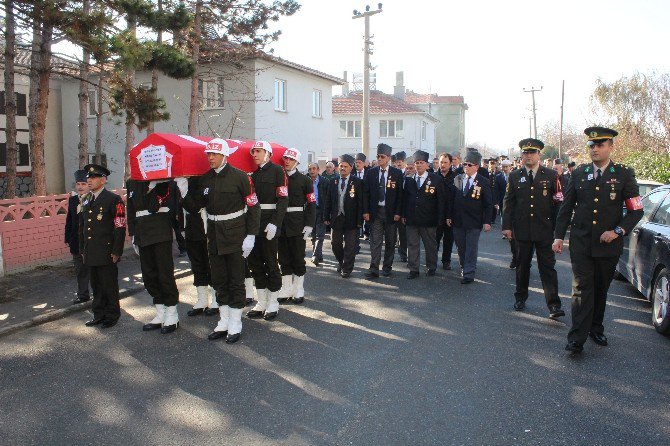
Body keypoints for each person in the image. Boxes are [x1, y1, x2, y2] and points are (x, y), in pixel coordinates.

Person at [553, 126, 643, 354]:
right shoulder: (578, 173)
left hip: (608, 245)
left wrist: (618, 231)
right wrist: (558, 236)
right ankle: (576, 338)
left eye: (600, 144)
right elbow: (566, 207)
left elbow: (636, 211)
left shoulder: (623, 174)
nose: (594, 149)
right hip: (581, 243)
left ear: (611, 146)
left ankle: (596, 326)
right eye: (591, 145)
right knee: (582, 289)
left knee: (600, 288)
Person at [180, 139, 261, 343]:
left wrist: (251, 235)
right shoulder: (204, 179)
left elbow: (253, 207)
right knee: (219, 279)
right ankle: (224, 320)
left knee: (235, 279)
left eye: (214, 154)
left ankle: (235, 322)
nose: (210, 158)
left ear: (225, 155)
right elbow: (194, 206)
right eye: (208, 154)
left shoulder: (241, 177)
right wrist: (182, 191)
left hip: (235, 234)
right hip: (214, 235)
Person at [502, 138, 564, 318]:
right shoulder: (514, 176)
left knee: (548, 268)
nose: (528, 156)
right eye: (525, 153)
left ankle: (553, 305)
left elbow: (559, 203)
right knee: (522, 266)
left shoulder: (552, 175)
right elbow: (509, 203)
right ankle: (520, 297)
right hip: (521, 230)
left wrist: (557, 230)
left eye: (532, 152)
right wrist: (507, 226)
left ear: (539, 154)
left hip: (544, 230)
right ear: (521, 155)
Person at [126, 177, 181, 334]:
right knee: (149, 275)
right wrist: (133, 234)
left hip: (160, 230)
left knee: (164, 274)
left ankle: (172, 313)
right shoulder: (132, 182)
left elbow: (170, 207)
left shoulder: (165, 181)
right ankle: (160, 311)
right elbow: (131, 209)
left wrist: (154, 187)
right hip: (142, 233)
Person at [246, 140, 288, 321]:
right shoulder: (252, 175)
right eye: (253, 152)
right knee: (255, 263)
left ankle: (273, 301)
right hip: (254, 224)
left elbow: (283, 199)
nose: (254, 154)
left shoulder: (278, 171)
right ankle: (261, 300)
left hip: (270, 224)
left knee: (271, 262)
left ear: (268, 153)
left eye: (257, 151)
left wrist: (275, 223)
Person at [79, 164, 126, 328]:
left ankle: (112, 315)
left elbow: (120, 226)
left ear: (103, 180)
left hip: (107, 251)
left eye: (93, 178)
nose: (89, 180)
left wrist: (117, 250)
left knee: (109, 285)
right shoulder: (86, 199)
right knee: (96, 285)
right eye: (88, 178)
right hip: (91, 251)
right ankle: (98, 314)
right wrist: (82, 249)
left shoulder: (114, 200)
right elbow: (83, 226)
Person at [447, 149, 493, 284]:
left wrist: (487, 221)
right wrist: (449, 216)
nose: (466, 167)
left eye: (469, 165)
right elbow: (451, 199)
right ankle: (464, 265)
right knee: (461, 247)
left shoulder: (483, 181)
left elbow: (488, 203)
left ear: (476, 166)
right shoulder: (457, 178)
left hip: (474, 220)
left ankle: (469, 272)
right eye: (464, 164)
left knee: (471, 247)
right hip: (458, 220)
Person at [276, 148, 316, 304]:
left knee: (298, 258)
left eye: (290, 159)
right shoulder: (279, 178)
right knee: (283, 258)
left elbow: (311, 204)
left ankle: (299, 289)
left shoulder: (305, 180)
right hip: (281, 222)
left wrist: (309, 224)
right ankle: (286, 288)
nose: (287, 161)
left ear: (297, 162)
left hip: (298, 224)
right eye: (285, 158)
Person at [402, 150, 446, 279]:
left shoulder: (436, 179)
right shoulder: (409, 180)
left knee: (430, 245)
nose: (419, 165)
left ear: (427, 165)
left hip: (429, 219)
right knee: (412, 245)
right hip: (412, 219)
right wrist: (404, 214)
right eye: (417, 163)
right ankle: (413, 269)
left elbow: (441, 201)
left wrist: (440, 218)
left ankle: (431, 267)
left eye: (421, 163)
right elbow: (405, 199)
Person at [363, 143, 403, 278]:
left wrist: (398, 212)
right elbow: (366, 194)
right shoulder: (371, 173)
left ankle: (387, 267)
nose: (379, 159)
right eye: (378, 156)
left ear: (388, 158)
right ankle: (374, 268)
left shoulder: (396, 173)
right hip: (376, 212)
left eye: (382, 156)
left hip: (391, 213)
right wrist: (366, 211)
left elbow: (399, 196)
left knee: (391, 241)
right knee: (375, 241)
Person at [182, 175, 218, 317]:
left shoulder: (202, 180)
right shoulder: (183, 181)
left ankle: (217, 299)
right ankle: (202, 300)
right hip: (190, 229)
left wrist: (183, 191)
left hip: (204, 228)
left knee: (210, 265)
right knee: (197, 266)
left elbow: (194, 206)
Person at [323, 154, 364, 278]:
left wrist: (359, 221)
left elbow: (361, 203)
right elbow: (328, 200)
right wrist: (326, 217)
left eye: (346, 166)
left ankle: (346, 269)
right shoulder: (333, 182)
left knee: (350, 246)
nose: (343, 168)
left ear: (351, 168)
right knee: (335, 244)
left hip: (351, 219)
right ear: (338, 167)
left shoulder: (357, 182)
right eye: (341, 166)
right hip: (336, 218)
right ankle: (342, 262)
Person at [65, 169, 91, 305]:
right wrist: (68, 238)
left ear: (89, 185)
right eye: (78, 184)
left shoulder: (94, 199)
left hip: (91, 242)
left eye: (83, 184)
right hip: (76, 242)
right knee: (80, 270)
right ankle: (83, 295)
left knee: (94, 270)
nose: (80, 187)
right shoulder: (73, 200)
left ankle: (100, 294)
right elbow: (69, 220)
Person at [496, 160, 518, 268]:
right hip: (510, 211)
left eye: (507, 166)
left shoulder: (518, 175)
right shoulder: (503, 177)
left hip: (522, 213)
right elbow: (506, 197)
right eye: (503, 166)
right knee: (512, 240)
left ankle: (524, 261)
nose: (505, 168)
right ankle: (515, 257)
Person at [436, 153, 456, 270]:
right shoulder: (433, 176)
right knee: (434, 241)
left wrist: (451, 215)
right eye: (441, 162)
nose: (442, 165)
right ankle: (432, 262)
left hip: (450, 215)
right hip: (436, 214)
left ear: (450, 164)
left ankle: (446, 261)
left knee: (448, 240)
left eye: (445, 162)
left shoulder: (456, 177)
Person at [308, 162, 329, 266]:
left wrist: (327, 213)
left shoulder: (325, 182)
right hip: (310, 211)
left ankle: (315, 255)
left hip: (321, 210)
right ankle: (318, 255)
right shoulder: (306, 181)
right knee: (313, 235)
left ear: (318, 170)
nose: (312, 171)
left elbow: (329, 198)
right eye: (310, 169)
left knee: (320, 235)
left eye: (314, 169)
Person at [393, 151, 409, 263]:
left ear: (404, 162)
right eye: (397, 162)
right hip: (394, 207)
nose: (399, 163)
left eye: (401, 161)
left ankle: (404, 253)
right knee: (394, 231)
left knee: (403, 233)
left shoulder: (408, 174)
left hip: (405, 206)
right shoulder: (393, 174)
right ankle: (398, 250)